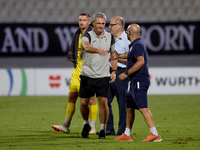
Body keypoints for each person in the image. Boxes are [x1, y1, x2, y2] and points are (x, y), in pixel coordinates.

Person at [112, 24, 163, 142]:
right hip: (135, 81)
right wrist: (118, 56)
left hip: (139, 80)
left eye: (126, 32)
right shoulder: (134, 45)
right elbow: (129, 56)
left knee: (143, 107)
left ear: (129, 33)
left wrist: (126, 73)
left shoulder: (137, 45)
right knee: (129, 107)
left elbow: (140, 62)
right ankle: (127, 134)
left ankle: (155, 134)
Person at [52, 12, 98, 134]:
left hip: (88, 73)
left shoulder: (93, 36)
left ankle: (92, 127)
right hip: (76, 72)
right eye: (80, 20)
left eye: (84, 20)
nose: (81, 22)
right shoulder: (77, 34)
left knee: (91, 100)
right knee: (71, 98)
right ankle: (66, 125)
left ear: (89, 22)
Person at [79, 12, 117, 139]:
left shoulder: (110, 37)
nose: (101, 26)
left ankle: (102, 129)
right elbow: (86, 47)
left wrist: (114, 71)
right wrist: (98, 50)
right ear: (93, 23)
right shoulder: (86, 35)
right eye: (98, 23)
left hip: (103, 75)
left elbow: (113, 55)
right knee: (84, 103)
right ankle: (86, 124)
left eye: (103, 23)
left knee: (103, 102)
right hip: (87, 74)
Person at [106, 16, 130, 135]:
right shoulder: (107, 38)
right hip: (106, 72)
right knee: (105, 101)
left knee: (122, 103)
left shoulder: (128, 40)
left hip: (121, 73)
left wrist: (117, 57)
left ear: (119, 26)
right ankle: (109, 128)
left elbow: (133, 60)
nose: (109, 27)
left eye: (111, 24)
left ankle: (122, 131)